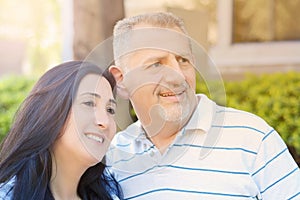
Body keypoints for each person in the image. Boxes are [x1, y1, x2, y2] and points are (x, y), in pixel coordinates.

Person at [106, 12, 300, 199]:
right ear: (121, 79)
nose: (179, 76)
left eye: (183, 60)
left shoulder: (252, 138)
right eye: (157, 64)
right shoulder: (113, 157)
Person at [0, 61, 123, 199]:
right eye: (89, 103)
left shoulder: (112, 194)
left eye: (110, 110)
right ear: (50, 112)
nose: (104, 121)